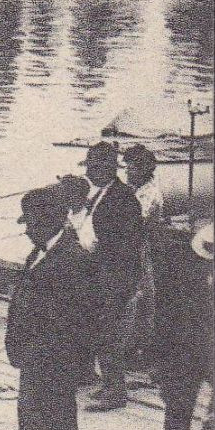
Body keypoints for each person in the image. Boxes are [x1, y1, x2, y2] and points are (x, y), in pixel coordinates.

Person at [5, 186, 102, 430]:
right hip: (33, 356)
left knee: (59, 423)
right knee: (30, 417)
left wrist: (61, 357)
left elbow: (79, 318)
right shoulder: (39, 252)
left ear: (48, 221)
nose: (27, 231)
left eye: (31, 223)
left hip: (57, 358)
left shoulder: (74, 259)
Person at [143, 223, 213, 430]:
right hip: (186, 353)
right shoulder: (182, 273)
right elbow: (166, 318)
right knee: (177, 411)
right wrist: (158, 359)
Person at [80, 141, 145, 411]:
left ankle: (115, 392)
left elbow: (124, 247)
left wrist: (116, 284)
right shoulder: (103, 194)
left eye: (93, 165)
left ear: (107, 166)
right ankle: (107, 383)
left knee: (110, 336)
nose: (89, 171)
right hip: (101, 275)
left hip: (114, 279)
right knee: (99, 332)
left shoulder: (122, 199)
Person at [123, 143, 165, 367]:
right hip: (130, 248)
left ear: (144, 170)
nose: (128, 173)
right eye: (127, 168)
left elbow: (137, 223)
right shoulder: (132, 189)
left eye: (132, 169)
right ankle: (130, 347)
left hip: (140, 249)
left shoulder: (150, 195)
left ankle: (139, 350)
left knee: (140, 298)